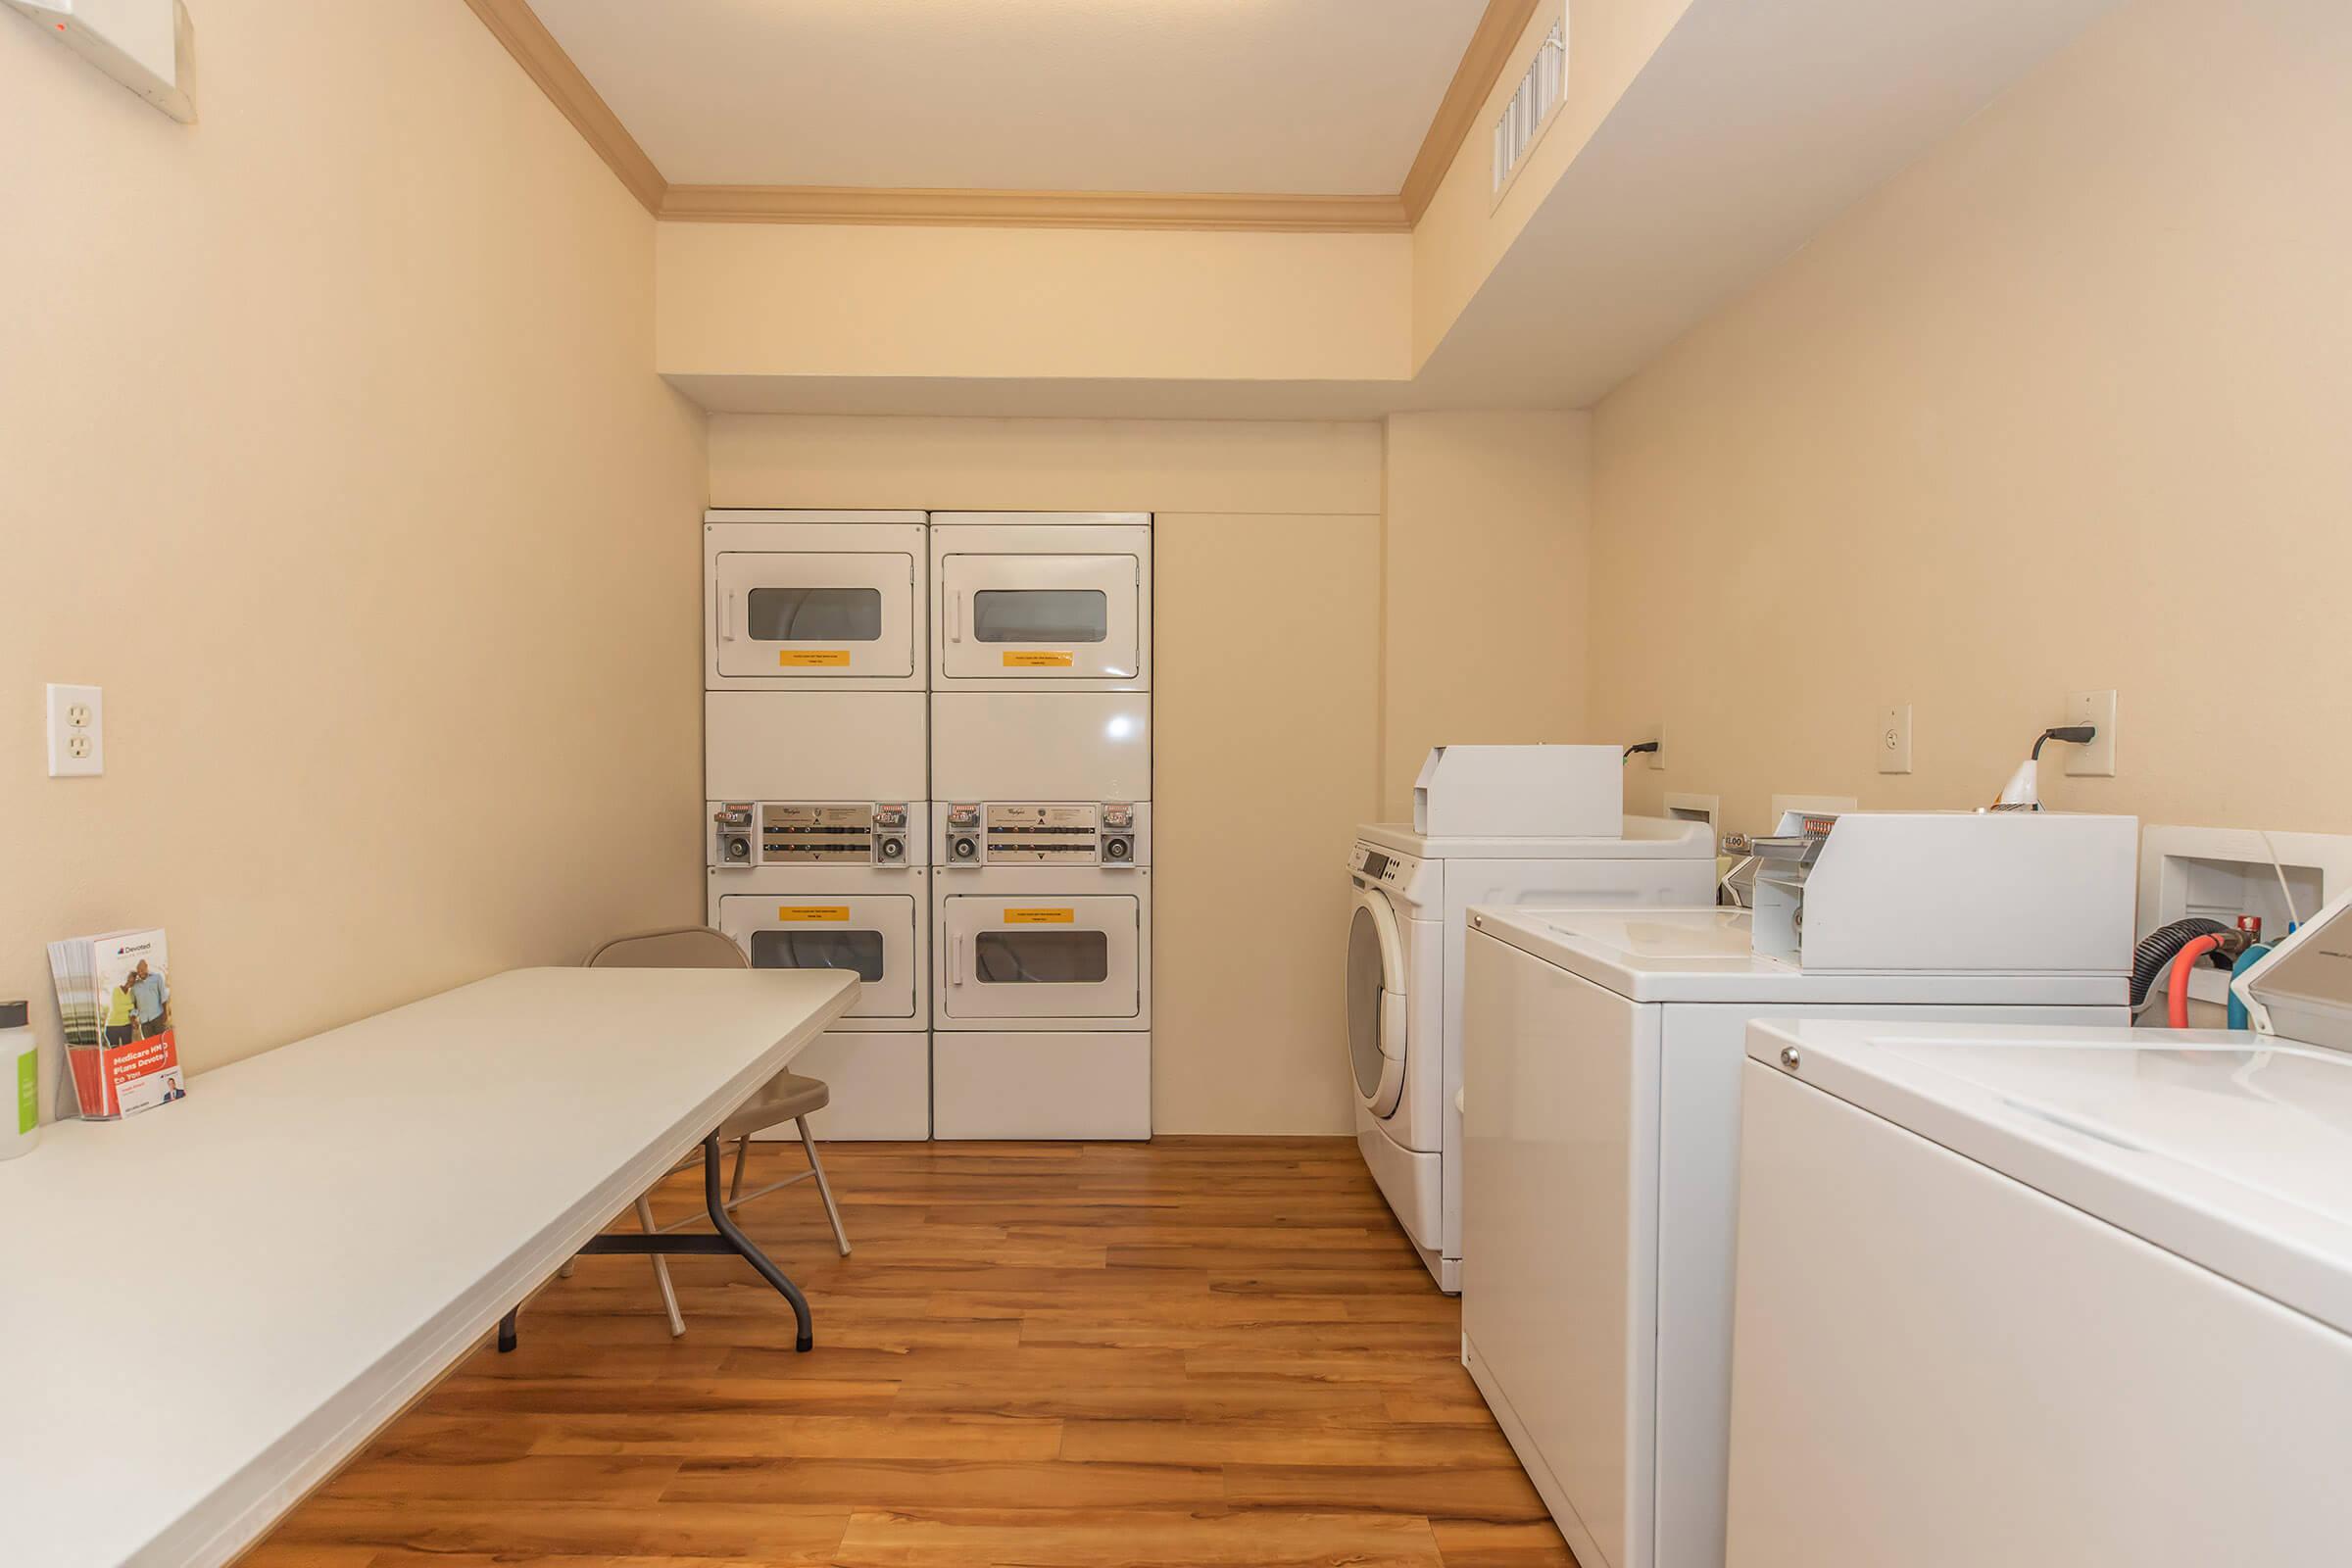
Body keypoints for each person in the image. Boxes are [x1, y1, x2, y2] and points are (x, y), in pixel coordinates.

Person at [128, 959, 170, 1039]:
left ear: (147, 967)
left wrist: (165, 1013)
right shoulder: (134, 986)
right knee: (149, 1046)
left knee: (164, 1041)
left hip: (158, 1017)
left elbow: (163, 997)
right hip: (144, 1022)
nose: (140, 973)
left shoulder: (157, 978)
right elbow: (134, 1005)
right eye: (138, 971)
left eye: (142, 970)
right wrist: (133, 1018)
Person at [102, 981, 136, 1048]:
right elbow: (117, 1008)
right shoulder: (116, 990)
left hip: (126, 1025)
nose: (129, 982)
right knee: (115, 1051)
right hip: (112, 1026)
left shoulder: (132, 993)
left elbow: (135, 1008)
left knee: (128, 1051)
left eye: (133, 981)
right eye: (129, 979)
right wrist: (132, 1006)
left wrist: (133, 1018)